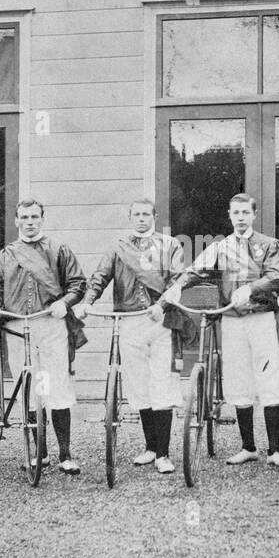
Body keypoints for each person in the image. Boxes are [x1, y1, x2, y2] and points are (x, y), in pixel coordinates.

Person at [161, 193, 279, 468]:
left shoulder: (270, 244)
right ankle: (248, 447)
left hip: (262, 317)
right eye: (236, 213)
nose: (241, 218)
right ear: (230, 215)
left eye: (246, 212)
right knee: (238, 380)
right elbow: (196, 270)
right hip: (232, 319)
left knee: (269, 379)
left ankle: (275, 450)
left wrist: (251, 288)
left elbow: (275, 276)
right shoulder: (221, 247)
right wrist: (177, 287)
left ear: (254, 215)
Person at [76, 197, 185, 475]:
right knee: (139, 385)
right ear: (129, 217)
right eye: (136, 214)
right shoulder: (118, 247)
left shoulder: (170, 245)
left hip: (161, 321)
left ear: (155, 216)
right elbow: (99, 277)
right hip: (128, 321)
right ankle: (150, 448)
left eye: (146, 214)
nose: (141, 219)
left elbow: (177, 280)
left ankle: (163, 454)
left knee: (161, 382)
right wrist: (87, 301)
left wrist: (161, 306)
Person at [0, 198, 87, 475]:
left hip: (50, 325)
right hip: (18, 327)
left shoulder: (58, 249)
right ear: (16, 221)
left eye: (34, 217)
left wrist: (64, 303)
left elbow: (78, 283)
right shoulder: (6, 254)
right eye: (24, 217)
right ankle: (39, 453)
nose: (29, 222)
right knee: (29, 387)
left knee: (57, 387)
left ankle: (65, 454)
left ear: (43, 218)